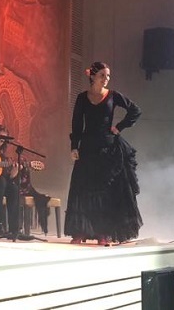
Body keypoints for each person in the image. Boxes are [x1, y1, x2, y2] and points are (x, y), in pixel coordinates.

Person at [65, 62, 142, 246]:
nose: (106, 79)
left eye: (108, 76)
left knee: (104, 192)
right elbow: (77, 123)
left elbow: (135, 110)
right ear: (92, 76)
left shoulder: (113, 96)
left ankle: (103, 232)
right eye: (102, 75)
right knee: (83, 189)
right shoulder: (82, 98)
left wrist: (119, 127)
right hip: (87, 148)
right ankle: (80, 230)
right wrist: (74, 146)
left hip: (107, 149)